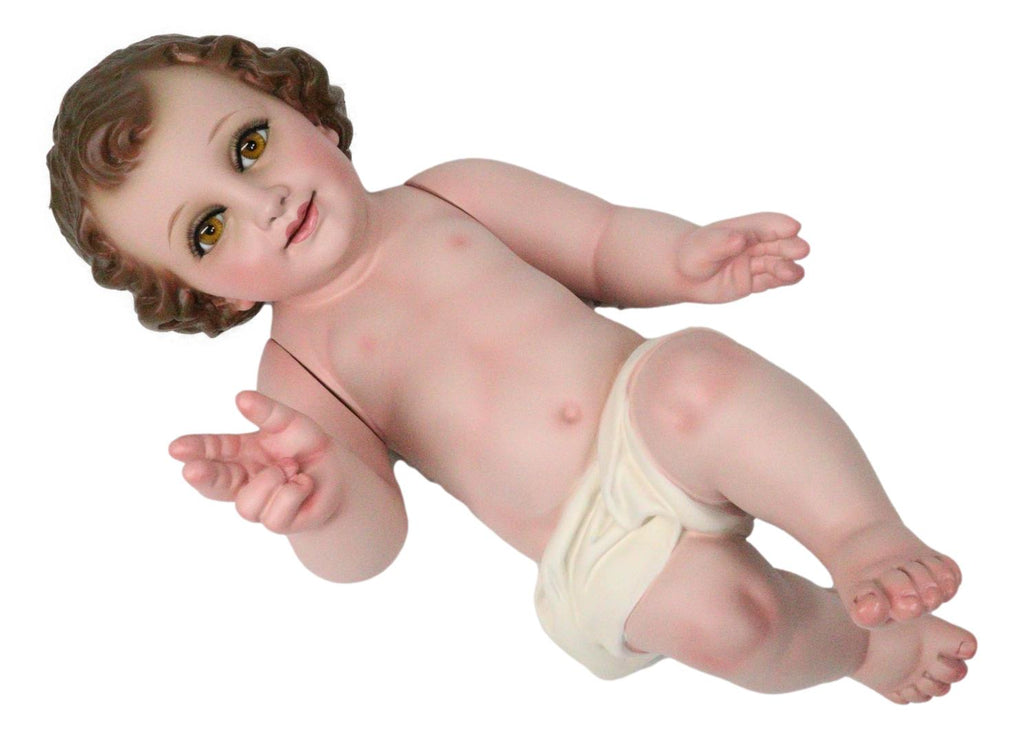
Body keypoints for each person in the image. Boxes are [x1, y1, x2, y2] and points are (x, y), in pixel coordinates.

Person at [48, 34, 975, 702]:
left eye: (249, 145)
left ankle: (859, 533)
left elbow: (602, 243)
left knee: (702, 377)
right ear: (200, 294)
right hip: (586, 542)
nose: (264, 201)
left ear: (297, 106)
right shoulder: (298, 375)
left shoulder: (453, 193)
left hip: (645, 411)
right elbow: (372, 548)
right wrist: (319, 505)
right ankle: (861, 648)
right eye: (208, 229)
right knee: (727, 623)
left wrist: (684, 258)